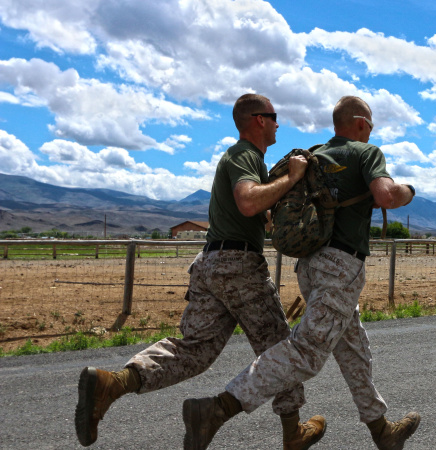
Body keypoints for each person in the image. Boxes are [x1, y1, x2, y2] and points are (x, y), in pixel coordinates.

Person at [74, 93, 326, 450]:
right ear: (258, 120)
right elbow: (248, 200)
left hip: (212, 264)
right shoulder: (245, 155)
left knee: (194, 349)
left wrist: (279, 206)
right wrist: (294, 177)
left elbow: (256, 211)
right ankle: (293, 432)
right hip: (237, 267)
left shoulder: (244, 160)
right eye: (273, 116)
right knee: (280, 348)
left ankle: (112, 383)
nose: (278, 123)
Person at [181, 95, 421, 450]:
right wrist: (408, 192)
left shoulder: (315, 155)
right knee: (306, 351)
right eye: (370, 125)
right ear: (359, 124)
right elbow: (386, 196)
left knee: (353, 344)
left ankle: (381, 429)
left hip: (310, 265)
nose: (371, 131)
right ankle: (218, 408)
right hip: (341, 268)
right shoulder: (365, 153)